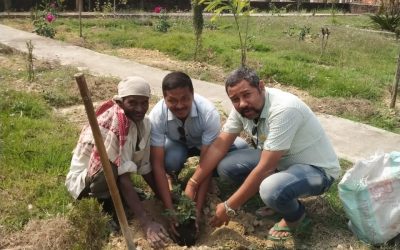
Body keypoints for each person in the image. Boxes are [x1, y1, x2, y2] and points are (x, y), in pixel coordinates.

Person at [185, 67, 340, 241]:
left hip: (317, 172)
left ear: (261, 87)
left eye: (247, 95)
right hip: (282, 161)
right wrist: (193, 182)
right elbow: (219, 147)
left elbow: (266, 168)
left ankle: (296, 216)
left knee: (271, 189)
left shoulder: (284, 109)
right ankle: (280, 197)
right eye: (235, 99)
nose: (242, 103)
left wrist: (229, 206)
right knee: (227, 167)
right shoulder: (243, 110)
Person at [65, 76, 169, 248]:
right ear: (121, 102)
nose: (139, 108)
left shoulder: (145, 124)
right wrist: (145, 223)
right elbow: (123, 178)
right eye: (132, 103)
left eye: (144, 102)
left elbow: (145, 167)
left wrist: (164, 200)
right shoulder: (113, 124)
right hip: (85, 181)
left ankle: (118, 197)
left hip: (117, 177)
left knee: (119, 172)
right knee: (111, 168)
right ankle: (105, 206)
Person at [148, 71, 248, 234]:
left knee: (241, 148)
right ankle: (171, 177)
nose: (179, 105)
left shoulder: (208, 112)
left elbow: (206, 160)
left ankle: (209, 182)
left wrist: (197, 209)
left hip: (205, 146)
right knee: (170, 160)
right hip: (177, 144)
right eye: (172, 100)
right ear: (164, 98)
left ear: (193, 94)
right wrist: (170, 210)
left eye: (185, 99)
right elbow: (157, 164)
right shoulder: (156, 116)